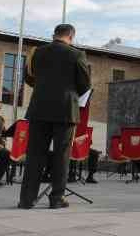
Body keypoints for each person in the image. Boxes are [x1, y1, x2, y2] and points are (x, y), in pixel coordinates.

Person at [18, 24, 91, 209]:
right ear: (71, 36)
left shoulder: (37, 52)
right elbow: (85, 84)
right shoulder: (77, 54)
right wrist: (69, 92)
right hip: (65, 110)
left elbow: (28, 78)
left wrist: (44, 86)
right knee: (61, 155)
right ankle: (57, 198)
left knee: (34, 155)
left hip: (39, 108)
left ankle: (26, 199)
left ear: (54, 35)